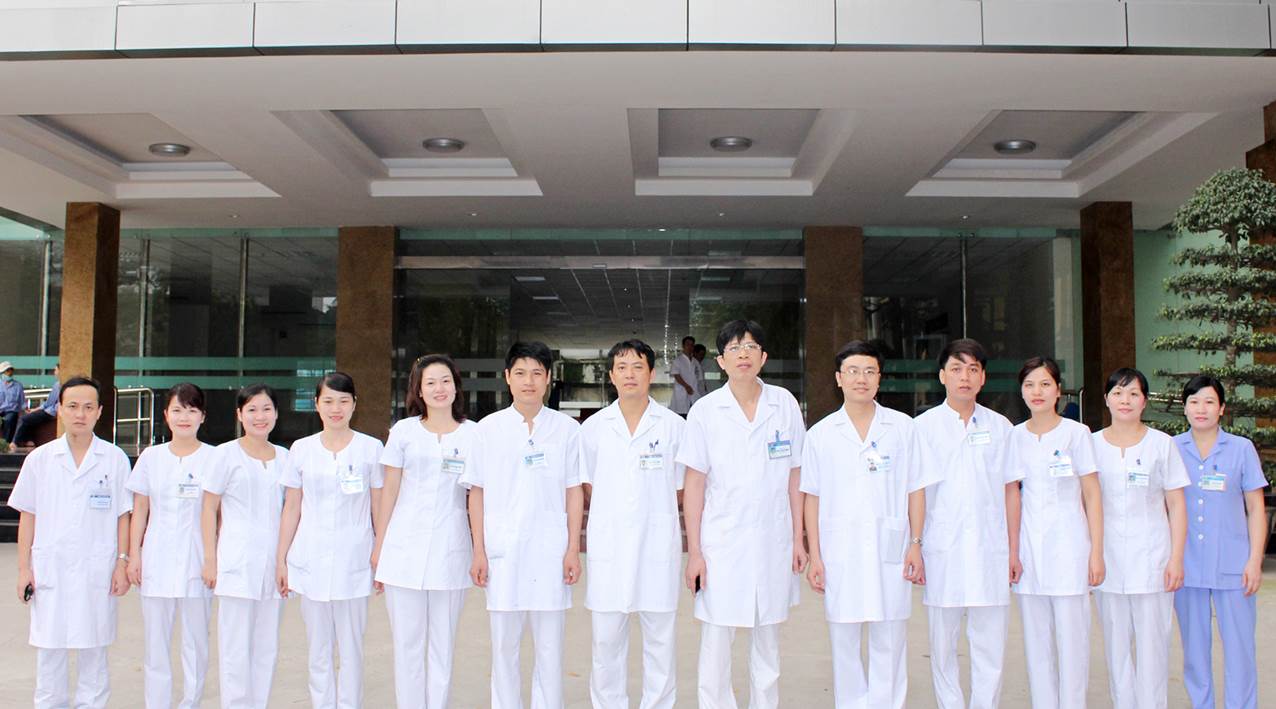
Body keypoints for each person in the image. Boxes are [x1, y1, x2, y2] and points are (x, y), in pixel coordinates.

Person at [679, 319, 806, 709]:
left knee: (767, 643)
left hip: (773, 538)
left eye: (751, 347)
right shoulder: (705, 411)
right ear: (720, 360)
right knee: (717, 643)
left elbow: (795, 475)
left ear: (764, 357)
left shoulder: (783, 403)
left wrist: (798, 539)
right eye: (734, 348)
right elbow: (695, 484)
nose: (743, 354)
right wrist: (696, 552)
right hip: (722, 542)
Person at [802, 340, 935, 709]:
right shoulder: (821, 435)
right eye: (853, 371)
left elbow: (916, 489)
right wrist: (815, 555)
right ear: (838, 379)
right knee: (843, 640)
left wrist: (916, 543)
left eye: (870, 371)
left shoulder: (903, 428)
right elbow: (811, 497)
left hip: (891, 546)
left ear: (880, 379)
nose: (862, 379)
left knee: (889, 638)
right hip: (838, 549)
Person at [461, 341, 584, 709]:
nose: (528, 381)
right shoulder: (487, 429)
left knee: (550, 650)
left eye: (536, 373)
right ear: (507, 378)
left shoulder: (565, 430)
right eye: (520, 373)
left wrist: (573, 548)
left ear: (548, 379)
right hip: (503, 552)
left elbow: (573, 490)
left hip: (550, 551)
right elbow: (476, 493)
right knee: (504, 649)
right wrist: (479, 550)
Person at [7, 375, 132, 709]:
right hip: (51, 568)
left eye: (88, 407)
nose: (81, 413)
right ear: (59, 410)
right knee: (51, 653)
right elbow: (28, 515)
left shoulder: (114, 458)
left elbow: (123, 515)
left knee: (95, 651)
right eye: (73, 406)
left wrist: (122, 561)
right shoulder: (40, 460)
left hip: (98, 567)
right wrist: (23, 569)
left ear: (99, 412)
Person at [580, 339, 685, 709]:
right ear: (611, 375)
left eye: (637, 366)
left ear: (651, 374)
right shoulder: (592, 429)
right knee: (606, 642)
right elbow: (587, 485)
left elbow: (681, 487)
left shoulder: (673, 427)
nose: (630, 374)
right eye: (622, 367)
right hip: (609, 549)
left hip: (657, 546)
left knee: (660, 641)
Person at [915, 339, 1020, 709]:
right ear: (942, 375)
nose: (965, 376)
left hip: (990, 551)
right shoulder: (923, 428)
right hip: (941, 548)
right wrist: (915, 544)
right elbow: (917, 493)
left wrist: (1013, 550)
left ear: (983, 378)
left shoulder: (1001, 426)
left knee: (990, 645)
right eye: (957, 369)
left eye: (973, 369)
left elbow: (1011, 492)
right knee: (942, 645)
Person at [372, 355, 475, 709]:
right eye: (430, 382)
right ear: (418, 389)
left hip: (451, 547)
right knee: (407, 645)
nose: (439, 389)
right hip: (403, 550)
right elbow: (389, 492)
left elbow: (477, 496)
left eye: (445, 380)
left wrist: (481, 551)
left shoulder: (473, 434)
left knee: (442, 645)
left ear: (456, 385)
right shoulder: (404, 431)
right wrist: (379, 547)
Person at [277, 372, 385, 709]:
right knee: (318, 649)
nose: (335, 408)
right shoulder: (302, 449)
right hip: (310, 560)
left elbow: (379, 506)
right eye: (328, 401)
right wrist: (281, 559)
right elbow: (292, 507)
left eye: (343, 401)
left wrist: (381, 553)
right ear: (316, 405)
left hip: (355, 559)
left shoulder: (371, 448)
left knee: (351, 648)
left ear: (355, 404)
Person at [1006, 356, 1104, 709]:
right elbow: (1012, 495)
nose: (1037, 391)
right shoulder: (1014, 436)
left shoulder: (1077, 434)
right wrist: (1013, 552)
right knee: (1037, 645)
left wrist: (1096, 551)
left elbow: (1092, 493)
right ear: (1022, 391)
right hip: (1031, 549)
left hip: (1071, 548)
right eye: (1030, 384)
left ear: (1058, 390)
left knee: (1073, 643)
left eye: (1045, 384)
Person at [1092, 367, 1189, 709]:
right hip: (1107, 562)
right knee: (1116, 649)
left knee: (1153, 649)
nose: (1125, 400)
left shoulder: (1161, 444)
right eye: (1118, 393)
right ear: (1106, 399)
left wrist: (1176, 558)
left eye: (1133, 393)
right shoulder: (1091, 445)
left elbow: (1176, 504)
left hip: (1153, 560)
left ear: (1145, 401)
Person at [1172, 375, 1267, 709]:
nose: (1202, 409)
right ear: (1184, 408)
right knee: (1194, 651)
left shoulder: (1241, 449)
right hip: (1187, 566)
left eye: (1209, 401)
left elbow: (1256, 508)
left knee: (1240, 649)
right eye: (1194, 401)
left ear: (1222, 408)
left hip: (1234, 565)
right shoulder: (1171, 448)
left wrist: (1254, 560)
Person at [126, 383, 218, 709]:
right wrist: (132, 555)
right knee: (156, 642)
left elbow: (219, 514)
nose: (184, 417)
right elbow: (140, 511)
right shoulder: (151, 457)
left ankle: (190, 701)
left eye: (192, 410)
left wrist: (212, 559)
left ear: (203, 416)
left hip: (198, 558)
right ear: (165, 415)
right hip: (157, 557)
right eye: (177, 410)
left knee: (196, 641)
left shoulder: (214, 458)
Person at [201, 384, 289, 709]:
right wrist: (210, 559)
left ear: (276, 414)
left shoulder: (286, 458)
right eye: (251, 410)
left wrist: (285, 561)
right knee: (235, 646)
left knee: (267, 645)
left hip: (274, 563)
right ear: (239, 415)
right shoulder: (224, 454)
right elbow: (209, 508)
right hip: (235, 561)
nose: (259, 416)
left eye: (266, 409)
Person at [13, 362, 59, 450]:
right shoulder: (56, 384)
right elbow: (47, 403)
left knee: (24, 419)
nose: (54, 372)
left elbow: (52, 404)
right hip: (49, 410)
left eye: (56, 370)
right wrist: (35, 409)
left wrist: (39, 410)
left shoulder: (61, 385)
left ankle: (15, 442)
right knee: (27, 416)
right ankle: (29, 441)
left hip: (51, 412)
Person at [0, 360, 27, 444]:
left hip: (11, 411)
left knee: (9, 419)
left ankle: (6, 443)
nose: (10, 373)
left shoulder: (18, 386)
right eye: (7, 371)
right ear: (2, 373)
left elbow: (22, 402)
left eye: (10, 370)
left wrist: (25, 410)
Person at [670, 336, 697, 416]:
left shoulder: (695, 362)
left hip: (694, 393)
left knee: (693, 415)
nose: (690, 347)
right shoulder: (678, 360)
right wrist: (686, 386)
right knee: (682, 416)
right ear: (683, 346)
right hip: (682, 392)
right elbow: (676, 375)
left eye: (692, 345)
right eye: (687, 344)